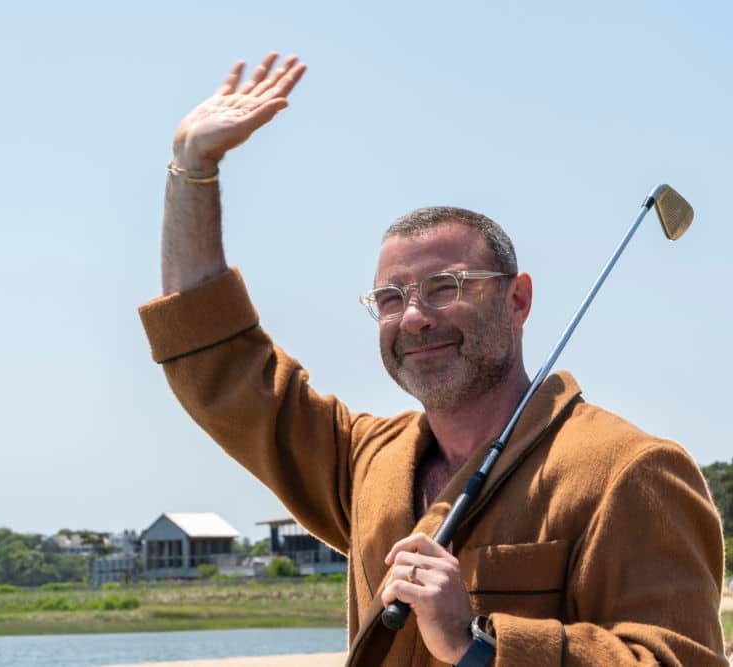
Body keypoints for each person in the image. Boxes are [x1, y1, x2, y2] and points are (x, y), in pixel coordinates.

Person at [138, 53, 727, 666]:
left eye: (446, 286)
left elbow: (678, 659)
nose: (414, 316)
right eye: (391, 298)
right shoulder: (366, 460)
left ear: (518, 299)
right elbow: (219, 363)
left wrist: (477, 643)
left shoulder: (629, 469)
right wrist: (192, 170)